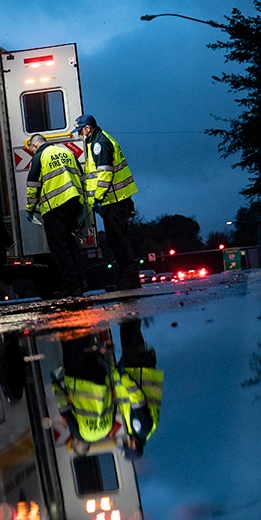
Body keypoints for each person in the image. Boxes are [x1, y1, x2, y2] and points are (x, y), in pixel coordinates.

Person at [73, 114, 140, 292]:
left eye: (80, 130)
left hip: (113, 200)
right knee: (116, 240)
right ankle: (127, 278)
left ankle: (130, 278)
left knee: (118, 241)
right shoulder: (99, 140)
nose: (80, 134)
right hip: (117, 199)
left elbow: (105, 173)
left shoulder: (99, 144)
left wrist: (97, 197)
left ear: (88, 128)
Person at [24, 133, 89, 299]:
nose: (31, 152)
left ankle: (72, 287)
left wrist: (30, 208)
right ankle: (83, 283)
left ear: (35, 145)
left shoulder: (40, 157)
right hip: (74, 203)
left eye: (31, 149)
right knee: (72, 245)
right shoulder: (67, 152)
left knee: (60, 249)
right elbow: (82, 178)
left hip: (55, 207)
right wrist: (83, 202)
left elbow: (32, 185)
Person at [113, 319, 162, 459]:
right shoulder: (141, 429)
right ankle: (130, 307)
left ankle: (129, 309)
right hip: (137, 371)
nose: (126, 442)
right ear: (134, 446)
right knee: (130, 335)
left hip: (138, 370)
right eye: (127, 445)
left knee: (130, 335)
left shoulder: (134, 431)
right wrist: (123, 378)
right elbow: (137, 399)